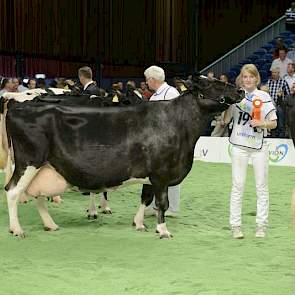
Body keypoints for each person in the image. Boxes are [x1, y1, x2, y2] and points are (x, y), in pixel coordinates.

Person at [224, 64, 277, 239]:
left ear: (256, 78)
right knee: (237, 186)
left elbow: (274, 123)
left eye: (251, 77)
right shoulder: (235, 95)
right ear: (241, 79)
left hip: (259, 148)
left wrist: (261, 123)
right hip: (239, 147)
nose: (247, 80)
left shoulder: (264, 97)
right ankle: (235, 226)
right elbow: (225, 120)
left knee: (261, 187)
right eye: (244, 77)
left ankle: (261, 226)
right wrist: (225, 104)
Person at [144, 65, 180, 217]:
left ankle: (172, 208)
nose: (146, 83)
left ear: (152, 79)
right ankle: (154, 205)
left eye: (147, 80)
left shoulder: (171, 92)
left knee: (171, 174)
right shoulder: (154, 96)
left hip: (169, 141)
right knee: (155, 174)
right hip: (155, 141)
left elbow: (177, 118)